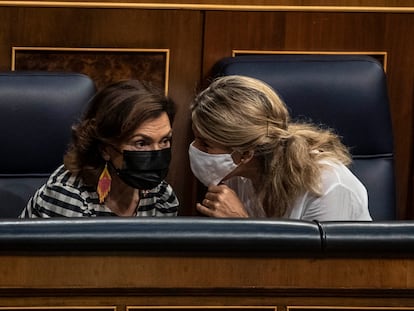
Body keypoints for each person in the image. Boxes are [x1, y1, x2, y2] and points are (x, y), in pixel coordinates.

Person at [189, 75, 372, 221]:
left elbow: (316, 268)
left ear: (245, 154)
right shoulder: (236, 176)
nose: (195, 149)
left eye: (205, 144)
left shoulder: (329, 188)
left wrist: (241, 224)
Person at [20, 79, 179, 218]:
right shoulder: (67, 195)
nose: (157, 153)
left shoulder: (161, 196)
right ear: (105, 149)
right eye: (141, 143)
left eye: (165, 140)